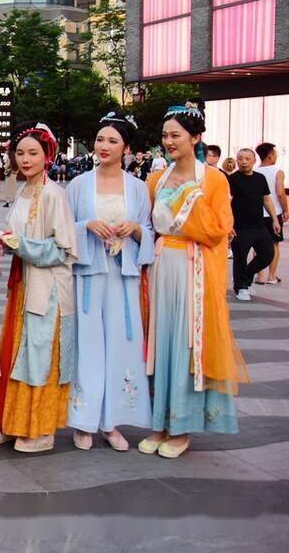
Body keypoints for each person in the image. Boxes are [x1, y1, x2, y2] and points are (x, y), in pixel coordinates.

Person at [141, 105, 247, 457]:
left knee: (186, 344)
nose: (168, 141)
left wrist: (190, 198)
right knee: (161, 343)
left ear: (195, 138)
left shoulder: (213, 180)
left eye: (176, 135)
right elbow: (149, 224)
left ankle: (182, 427)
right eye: (165, 135)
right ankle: (160, 421)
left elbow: (218, 231)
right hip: (161, 267)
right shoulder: (156, 179)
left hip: (194, 268)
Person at [0, 121, 77, 454]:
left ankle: (41, 428)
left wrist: (21, 245)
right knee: (17, 352)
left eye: (32, 153)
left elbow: (65, 248)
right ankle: (13, 421)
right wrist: (9, 243)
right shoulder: (22, 190)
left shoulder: (54, 194)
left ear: (47, 155)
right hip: (24, 282)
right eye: (20, 152)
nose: (25, 159)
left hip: (48, 287)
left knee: (39, 354)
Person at [65, 113, 153, 452]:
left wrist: (135, 231)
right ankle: (83, 421)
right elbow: (65, 228)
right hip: (88, 274)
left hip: (122, 273)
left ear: (126, 148)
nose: (104, 146)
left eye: (112, 141)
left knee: (122, 342)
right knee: (88, 344)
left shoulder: (137, 187)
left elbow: (148, 229)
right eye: (100, 139)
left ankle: (111, 420)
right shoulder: (77, 185)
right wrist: (86, 225)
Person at [229, 148, 278, 302]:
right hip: (240, 227)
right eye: (240, 158)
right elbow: (226, 202)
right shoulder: (233, 179)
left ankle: (246, 276)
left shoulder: (260, 178)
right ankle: (241, 288)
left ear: (254, 161)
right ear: (237, 161)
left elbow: (267, 200)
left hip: (260, 226)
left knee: (267, 254)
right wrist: (228, 224)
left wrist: (275, 219)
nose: (243, 162)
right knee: (240, 258)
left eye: (247, 159)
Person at [254, 143, 286, 285]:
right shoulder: (278, 171)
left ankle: (260, 275)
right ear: (270, 155)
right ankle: (271, 276)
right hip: (275, 213)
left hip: (257, 213)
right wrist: (286, 209)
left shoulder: (254, 171)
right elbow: (280, 192)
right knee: (274, 244)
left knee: (257, 244)